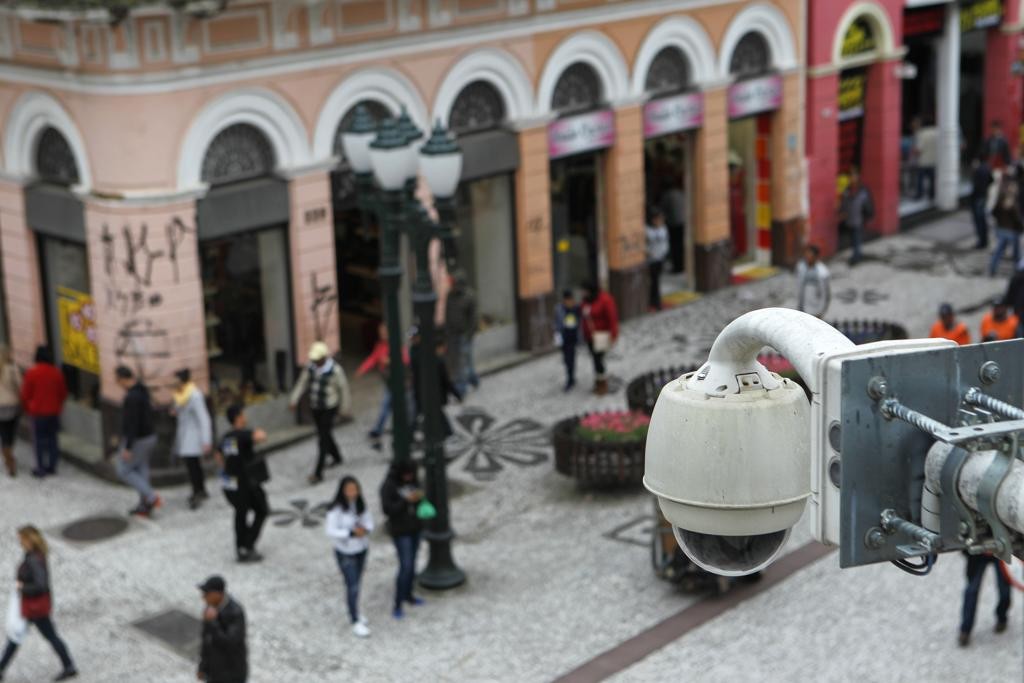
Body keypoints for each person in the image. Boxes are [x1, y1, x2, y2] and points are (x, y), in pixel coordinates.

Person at [0, 526, 77, 681]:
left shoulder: (34, 559)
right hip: (33, 607)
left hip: (34, 607)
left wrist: (22, 587)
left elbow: (41, 585)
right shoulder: (34, 556)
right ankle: (68, 665)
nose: (20, 542)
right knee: (17, 637)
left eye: (22, 539)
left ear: (29, 540)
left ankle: (69, 666)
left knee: (21, 637)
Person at [289, 341, 351, 484]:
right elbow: (302, 383)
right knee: (325, 432)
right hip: (315, 406)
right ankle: (336, 456)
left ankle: (318, 472)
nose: (316, 362)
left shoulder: (335, 370)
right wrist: (294, 399)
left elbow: (344, 389)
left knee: (322, 438)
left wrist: (344, 408)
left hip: (329, 407)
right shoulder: (310, 368)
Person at [216, 404, 269, 563]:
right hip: (246, 482)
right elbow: (261, 437)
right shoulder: (243, 434)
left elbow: (218, 456)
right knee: (262, 509)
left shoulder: (227, 437)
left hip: (230, 482)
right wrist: (258, 432)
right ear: (238, 417)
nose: (245, 418)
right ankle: (247, 544)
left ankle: (241, 547)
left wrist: (227, 469)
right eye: (243, 415)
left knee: (240, 513)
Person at [325, 475, 375, 637]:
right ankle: (354, 619)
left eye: (355, 489)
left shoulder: (360, 505)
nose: (352, 493)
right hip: (346, 551)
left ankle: (356, 612)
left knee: (357, 582)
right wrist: (350, 533)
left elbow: (369, 522)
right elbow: (331, 530)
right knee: (352, 585)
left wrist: (364, 530)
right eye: (349, 490)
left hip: (361, 549)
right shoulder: (336, 510)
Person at [113, 366, 161, 517]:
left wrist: (128, 447)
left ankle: (151, 497)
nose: (116, 383)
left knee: (123, 470)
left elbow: (133, 423)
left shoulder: (132, 397)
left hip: (139, 439)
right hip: (149, 436)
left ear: (122, 379)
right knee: (141, 469)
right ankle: (144, 505)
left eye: (117, 379)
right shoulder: (141, 390)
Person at [380, 460, 424, 619]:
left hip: (415, 528)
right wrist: (405, 501)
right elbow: (387, 509)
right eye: (406, 475)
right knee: (405, 566)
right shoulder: (389, 486)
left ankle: (409, 595)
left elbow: (419, 497)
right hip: (401, 532)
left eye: (411, 475)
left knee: (412, 564)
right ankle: (398, 603)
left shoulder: (413, 480)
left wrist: (418, 498)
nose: (409, 478)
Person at [357, 324, 411, 448]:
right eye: (380, 332)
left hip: (399, 383)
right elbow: (373, 358)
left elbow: (406, 360)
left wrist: (391, 361)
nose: (382, 334)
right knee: (387, 406)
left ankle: (391, 430)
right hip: (389, 383)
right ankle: (380, 430)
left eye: (384, 332)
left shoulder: (396, 345)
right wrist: (362, 369)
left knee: (391, 407)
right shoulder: (380, 346)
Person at [20, 346, 66, 478]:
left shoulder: (32, 373)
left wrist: (28, 409)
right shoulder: (56, 372)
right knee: (52, 439)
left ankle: (40, 468)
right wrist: (58, 406)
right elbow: (62, 392)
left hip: (37, 413)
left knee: (38, 440)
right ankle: (52, 466)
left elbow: (25, 395)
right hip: (53, 412)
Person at [171, 368, 213, 510]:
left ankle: (198, 492)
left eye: (175, 379)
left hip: (193, 437)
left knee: (193, 466)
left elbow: (203, 418)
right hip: (184, 435)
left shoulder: (195, 395)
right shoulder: (179, 395)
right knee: (192, 465)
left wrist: (206, 440)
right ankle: (200, 490)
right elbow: (179, 410)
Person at [197, 575, 247, 683]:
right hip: (214, 672)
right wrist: (202, 666)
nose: (204, 598)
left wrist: (212, 622)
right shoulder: (210, 608)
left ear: (217, 594)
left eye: (206, 594)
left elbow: (230, 642)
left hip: (232, 674)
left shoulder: (235, 612)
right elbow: (206, 640)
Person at [411, 335, 462, 440]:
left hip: (425, 394)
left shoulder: (423, 357)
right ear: (440, 348)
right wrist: (457, 394)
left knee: (432, 414)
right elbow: (447, 382)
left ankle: (444, 434)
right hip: (433, 395)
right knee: (433, 414)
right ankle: (447, 434)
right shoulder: (438, 362)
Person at [958, 553, 1011, 647]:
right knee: (971, 591)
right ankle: (965, 629)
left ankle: (1002, 618)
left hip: (1001, 551)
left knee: (1004, 592)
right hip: (978, 554)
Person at [581, 282, 619, 396]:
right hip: (590, 337)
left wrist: (613, 335)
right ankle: (598, 382)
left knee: (598, 359)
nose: (583, 293)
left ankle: (602, 384)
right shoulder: (586, 301)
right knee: (595, 359)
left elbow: (612, 318)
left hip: (601, 335)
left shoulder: (605, 300)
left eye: (585, 290)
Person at [444, 271, 479, 395]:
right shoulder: (450, 296)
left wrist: (469, 335)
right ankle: (473, 379)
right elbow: (447, 315)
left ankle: (461, 388)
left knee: (464, 360)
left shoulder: (469, 297)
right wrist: (447, 332)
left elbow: (473, 319)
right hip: (453, 334)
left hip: (464, 334)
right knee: (460, 361)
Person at [988, 165, 1023, 277]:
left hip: (1001, 229)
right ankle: (1018, 273)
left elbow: (993, 212)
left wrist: (998, 222)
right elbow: (1017, 220)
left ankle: (992, 269)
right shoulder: (1013, 205)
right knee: (1016, 254)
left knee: (999, 251)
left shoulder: (1001, 199)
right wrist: (1021, 228)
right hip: (1012, 231)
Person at [838, 168, 874, 265]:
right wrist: (842, 212)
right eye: (851, 176)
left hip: (859, 218)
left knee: (856, 237)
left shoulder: (863, 190)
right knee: (853, 238)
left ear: (858, 177)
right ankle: (857, 254)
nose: (852, 178)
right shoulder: (847, 189)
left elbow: (868, 204)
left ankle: (856, 257)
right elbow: (844, 203)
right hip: (850, 218)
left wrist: (868, 216)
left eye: (854, 176)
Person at [554, 289, 582, 392]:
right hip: (564, 337)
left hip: (573, 337)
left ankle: (570, 379)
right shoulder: (559, 309)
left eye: (570, 299)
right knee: (566, 359)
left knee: (571, 359)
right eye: (567, 300)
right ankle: (571, 377)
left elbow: (581, 321)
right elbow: (556, 323)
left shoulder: (577, 308)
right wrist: (557, 335)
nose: (569, 302)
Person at [0, 346, 21, 477]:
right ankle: (10, 457)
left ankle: (8, 459)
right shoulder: (12, 368)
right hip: (12, 405)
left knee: (3, 434)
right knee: (11, 433)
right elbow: (20, 384)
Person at [795, 244, 831, 318]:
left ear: (816, 256)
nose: (807, 257)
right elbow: (799, 287)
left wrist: (821, 311)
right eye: (806, 254)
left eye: (810, 254)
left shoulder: (822, 272)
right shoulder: (801, 267)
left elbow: (826, 294)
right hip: (803, 309)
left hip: (816, 311)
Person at [645, 209, 670, 311]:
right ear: (653, 220)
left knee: (656, 281)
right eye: (658, 219)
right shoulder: (647, 230)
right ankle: (655, 302)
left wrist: (664, 253)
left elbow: (665, 242)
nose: (660, 221)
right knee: (654, 282)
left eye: (661, 219)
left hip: (660, 259)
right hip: (651, 260)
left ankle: (655, 301)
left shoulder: (663, 229)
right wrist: (647, 252)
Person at [970, 153, 994, 249]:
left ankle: (982, 242)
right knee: (982, 219)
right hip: (983, 196)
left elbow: (975, 186)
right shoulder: (987, 168)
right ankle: (984, 240)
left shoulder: (978, 170)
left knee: (979, 220)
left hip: (977, 198)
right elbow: (991, 180)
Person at [912, 116, 938, 200]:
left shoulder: (922, 134)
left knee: (920, 179)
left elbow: (918, 149)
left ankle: (919, 195)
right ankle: (932, 195)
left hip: (924, 161)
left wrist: (913, 154)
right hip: (934, 160)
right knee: (933, 179)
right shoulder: (937, 132)